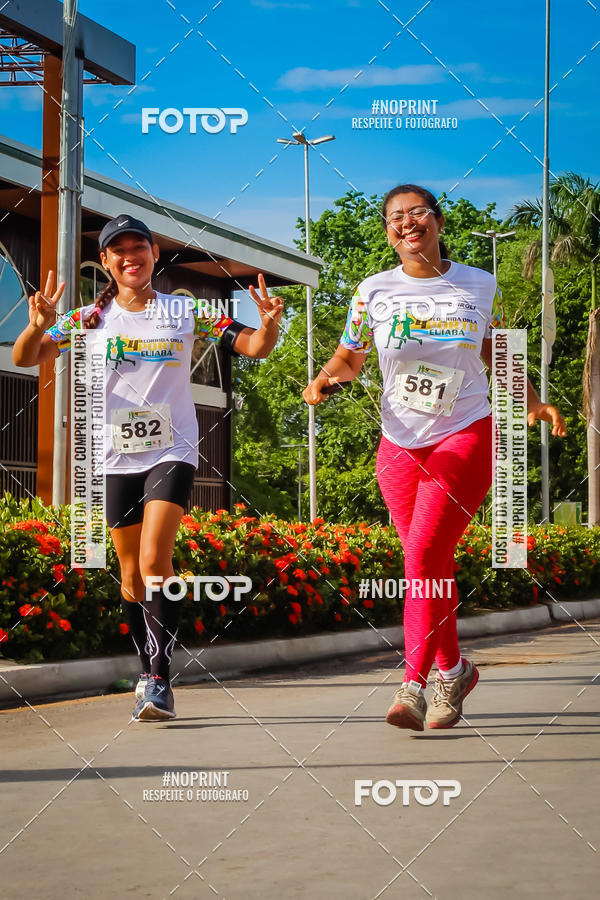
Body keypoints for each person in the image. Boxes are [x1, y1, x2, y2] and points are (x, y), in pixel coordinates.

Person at [303, 184, 566, 732]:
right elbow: (350, 357)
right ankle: (454, 669)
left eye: (417, 212)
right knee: (429, 564)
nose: (407, 222)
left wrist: (534, 402)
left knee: (423, 553)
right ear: (387, 231)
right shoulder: (372, 291)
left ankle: (414, 684)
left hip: (465, 430)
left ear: (438, 222)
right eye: (395, 216)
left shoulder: (478, 283)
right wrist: (325, 380)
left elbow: (496, 350)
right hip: (398, 442)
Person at [13, 214, 283, 722]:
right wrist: (36, 324)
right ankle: (145, 670)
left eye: (140, 246)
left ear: (155, 255)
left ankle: (160, 679)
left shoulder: (186, 311)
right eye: (119, 250)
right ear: (109, 262)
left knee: (157, 560)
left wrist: (267, 323)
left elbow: (254, 346)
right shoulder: (87, 320)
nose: (130, 256)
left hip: (171, 451)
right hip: (112, 458)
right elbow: (29, 357)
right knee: (130, 572)